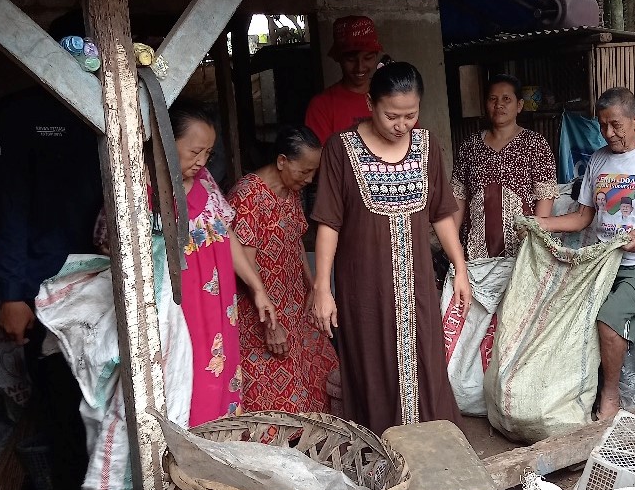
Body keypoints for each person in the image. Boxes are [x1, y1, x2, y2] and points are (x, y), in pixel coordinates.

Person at [311, 62, 471, 436]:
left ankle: (431, 453)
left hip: (416, 285)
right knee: (373, 365)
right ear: (369, 103)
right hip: (363, 287)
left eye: (410, 115)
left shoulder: (427, 144)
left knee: (425, 363)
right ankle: (381, 455)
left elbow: (442, 213)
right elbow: (328, 223)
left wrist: (459, 268)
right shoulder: (340, 149)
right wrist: (322, 287)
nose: (402, 125)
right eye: (392, 116)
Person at [0, 84, 105, 490]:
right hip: (48, 290)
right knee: (67, 398)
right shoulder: (17, 116)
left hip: (97, 285)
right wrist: (14, 291)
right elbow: (10, 206)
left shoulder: (105, 112)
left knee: (86, 399)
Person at [538, 87, 635, 419]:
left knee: (609, 319)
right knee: (566, 311)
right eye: (602, 125)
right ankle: (570, 393)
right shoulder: (598, 160)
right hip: (604, 260)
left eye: (616, 125)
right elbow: (584, 217)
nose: (608, 133)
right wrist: (540, 224)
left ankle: (610, 396)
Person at [169, 100, 277, 426]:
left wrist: (258, 289)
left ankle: (220, 456)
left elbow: (225, 236)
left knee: (222, 378)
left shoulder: (204, 182)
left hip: (219, 310)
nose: (201, 161)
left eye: (208, 154)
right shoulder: (140, 188)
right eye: (194, 152)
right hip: (182, 313)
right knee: (190, 383)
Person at [228, 125, 338, 414]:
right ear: (281, 161)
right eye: (304, 171)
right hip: (261, 314)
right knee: (271, 398)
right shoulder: (248, 196)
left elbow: (296, 239)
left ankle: (310, 449)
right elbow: (245, 265)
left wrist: (313, 286)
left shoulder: (290, 193)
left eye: (313, 172)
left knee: (321, 372)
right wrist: (271, 326)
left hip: (295, 305)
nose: (309, 178)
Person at [451, 74, 557, 259]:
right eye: (493, 99)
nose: (499, 104)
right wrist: (452, 243)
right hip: (475, 251)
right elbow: (458, 197)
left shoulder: (535, 144)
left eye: (506, 99)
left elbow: (545, 196)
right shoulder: (470, 146)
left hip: (521, 248)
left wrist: (534, 242)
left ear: (519, 105)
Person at [305, 15, 382, 146]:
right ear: (338, 58)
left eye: (368, 58)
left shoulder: (391, 96)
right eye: (351, 60)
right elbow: (319, 160)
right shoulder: (322, 106)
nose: (360, 67)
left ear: (376, 56)